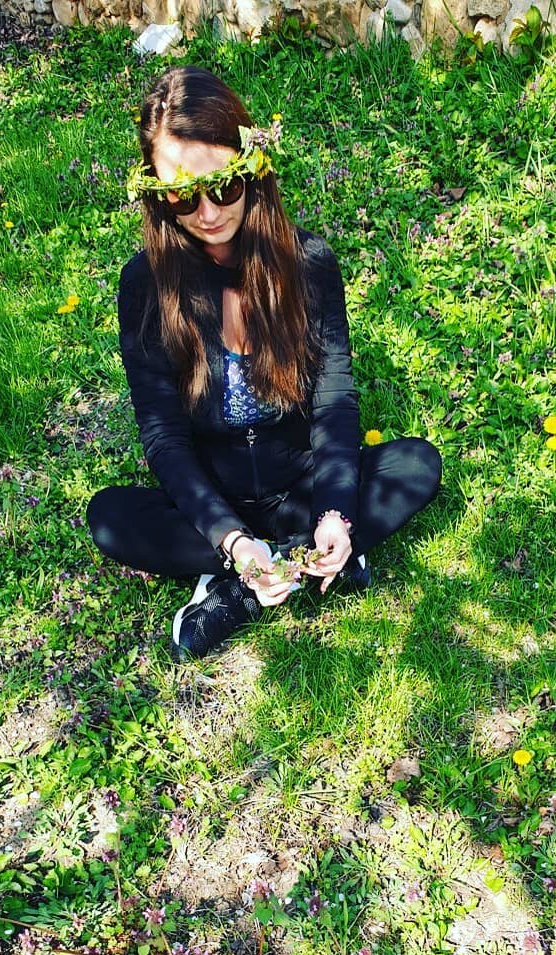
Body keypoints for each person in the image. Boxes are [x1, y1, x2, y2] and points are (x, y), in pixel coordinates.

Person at [86, 66, 441, 660]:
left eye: (222, 187)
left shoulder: (307, 263)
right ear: (156, 194)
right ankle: (274, 566)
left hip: (299, 484)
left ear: (252, 170)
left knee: (416, 464)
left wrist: (334, 512)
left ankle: (261, 578)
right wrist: (230, 538)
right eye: (182, 194)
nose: (206, 213)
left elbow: (334, 402)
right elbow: (164, 435)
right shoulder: (145, 284)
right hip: (213, 499)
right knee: (110, 518)